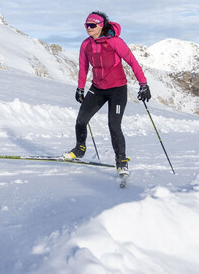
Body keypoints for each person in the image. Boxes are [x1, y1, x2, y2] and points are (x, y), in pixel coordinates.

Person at [62, 12, 151, 176]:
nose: (88, 28)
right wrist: (80, 88)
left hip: (117, 89)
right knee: (81, 120)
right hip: (97, 88)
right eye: (86, 25)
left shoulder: (115, 42)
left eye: (92, 25)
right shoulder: (85, 45)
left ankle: (121, 161)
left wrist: (143, 84)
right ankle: (79, 149)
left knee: (114, 126)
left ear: (101, 26)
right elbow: (83, 68)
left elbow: (132, 61)